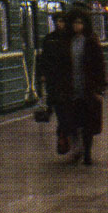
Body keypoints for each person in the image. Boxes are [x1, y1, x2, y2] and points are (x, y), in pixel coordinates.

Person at [44, 6, 106, 165]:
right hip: (69, 88)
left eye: (80, 23)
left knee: (87, 123)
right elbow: (58, 65)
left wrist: (100, 89)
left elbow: (99, 65)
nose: (77, 26)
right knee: (71, 121)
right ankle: (76, 147)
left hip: (88, 89)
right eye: (74, 23)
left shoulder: (91, 40)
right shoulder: (64, 42)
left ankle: (87, 153)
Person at [37, 11, 70, 143]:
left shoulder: (69, 38)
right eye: (56, 21)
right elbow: (44, 58)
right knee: (59, 107)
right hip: (53, 79)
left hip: (67, 79)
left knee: (66, 107)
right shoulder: (49, 39)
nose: (58, 24)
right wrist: (43, 74)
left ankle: (64, 129)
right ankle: (62, 130)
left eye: (61, 21)